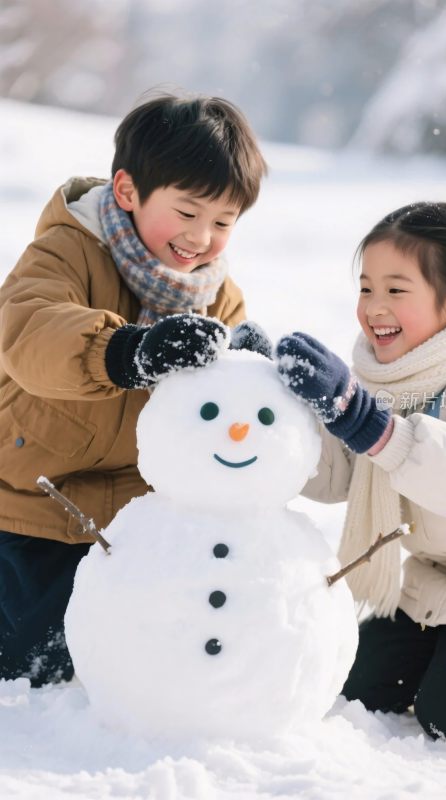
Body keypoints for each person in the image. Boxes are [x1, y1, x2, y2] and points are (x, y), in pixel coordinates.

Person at [0, 92, 267, 686]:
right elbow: (27, 328)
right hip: (34, 500)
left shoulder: (216, 294)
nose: (202, 237)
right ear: (127, 191)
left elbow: (229, 407)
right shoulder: (67, 250)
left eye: (223, 222)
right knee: (38, 667)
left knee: (148, 654)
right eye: (188, 211)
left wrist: (254, 372)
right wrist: (128, 351)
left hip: (139, 515)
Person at [276, 201, 446, 746]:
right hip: (443, 585)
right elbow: (341, 473)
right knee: (352, 682)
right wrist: (271, 413)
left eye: (396, 290)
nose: (374, 307)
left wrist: (370, 425)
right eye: (366, 288)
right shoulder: (395, 372)